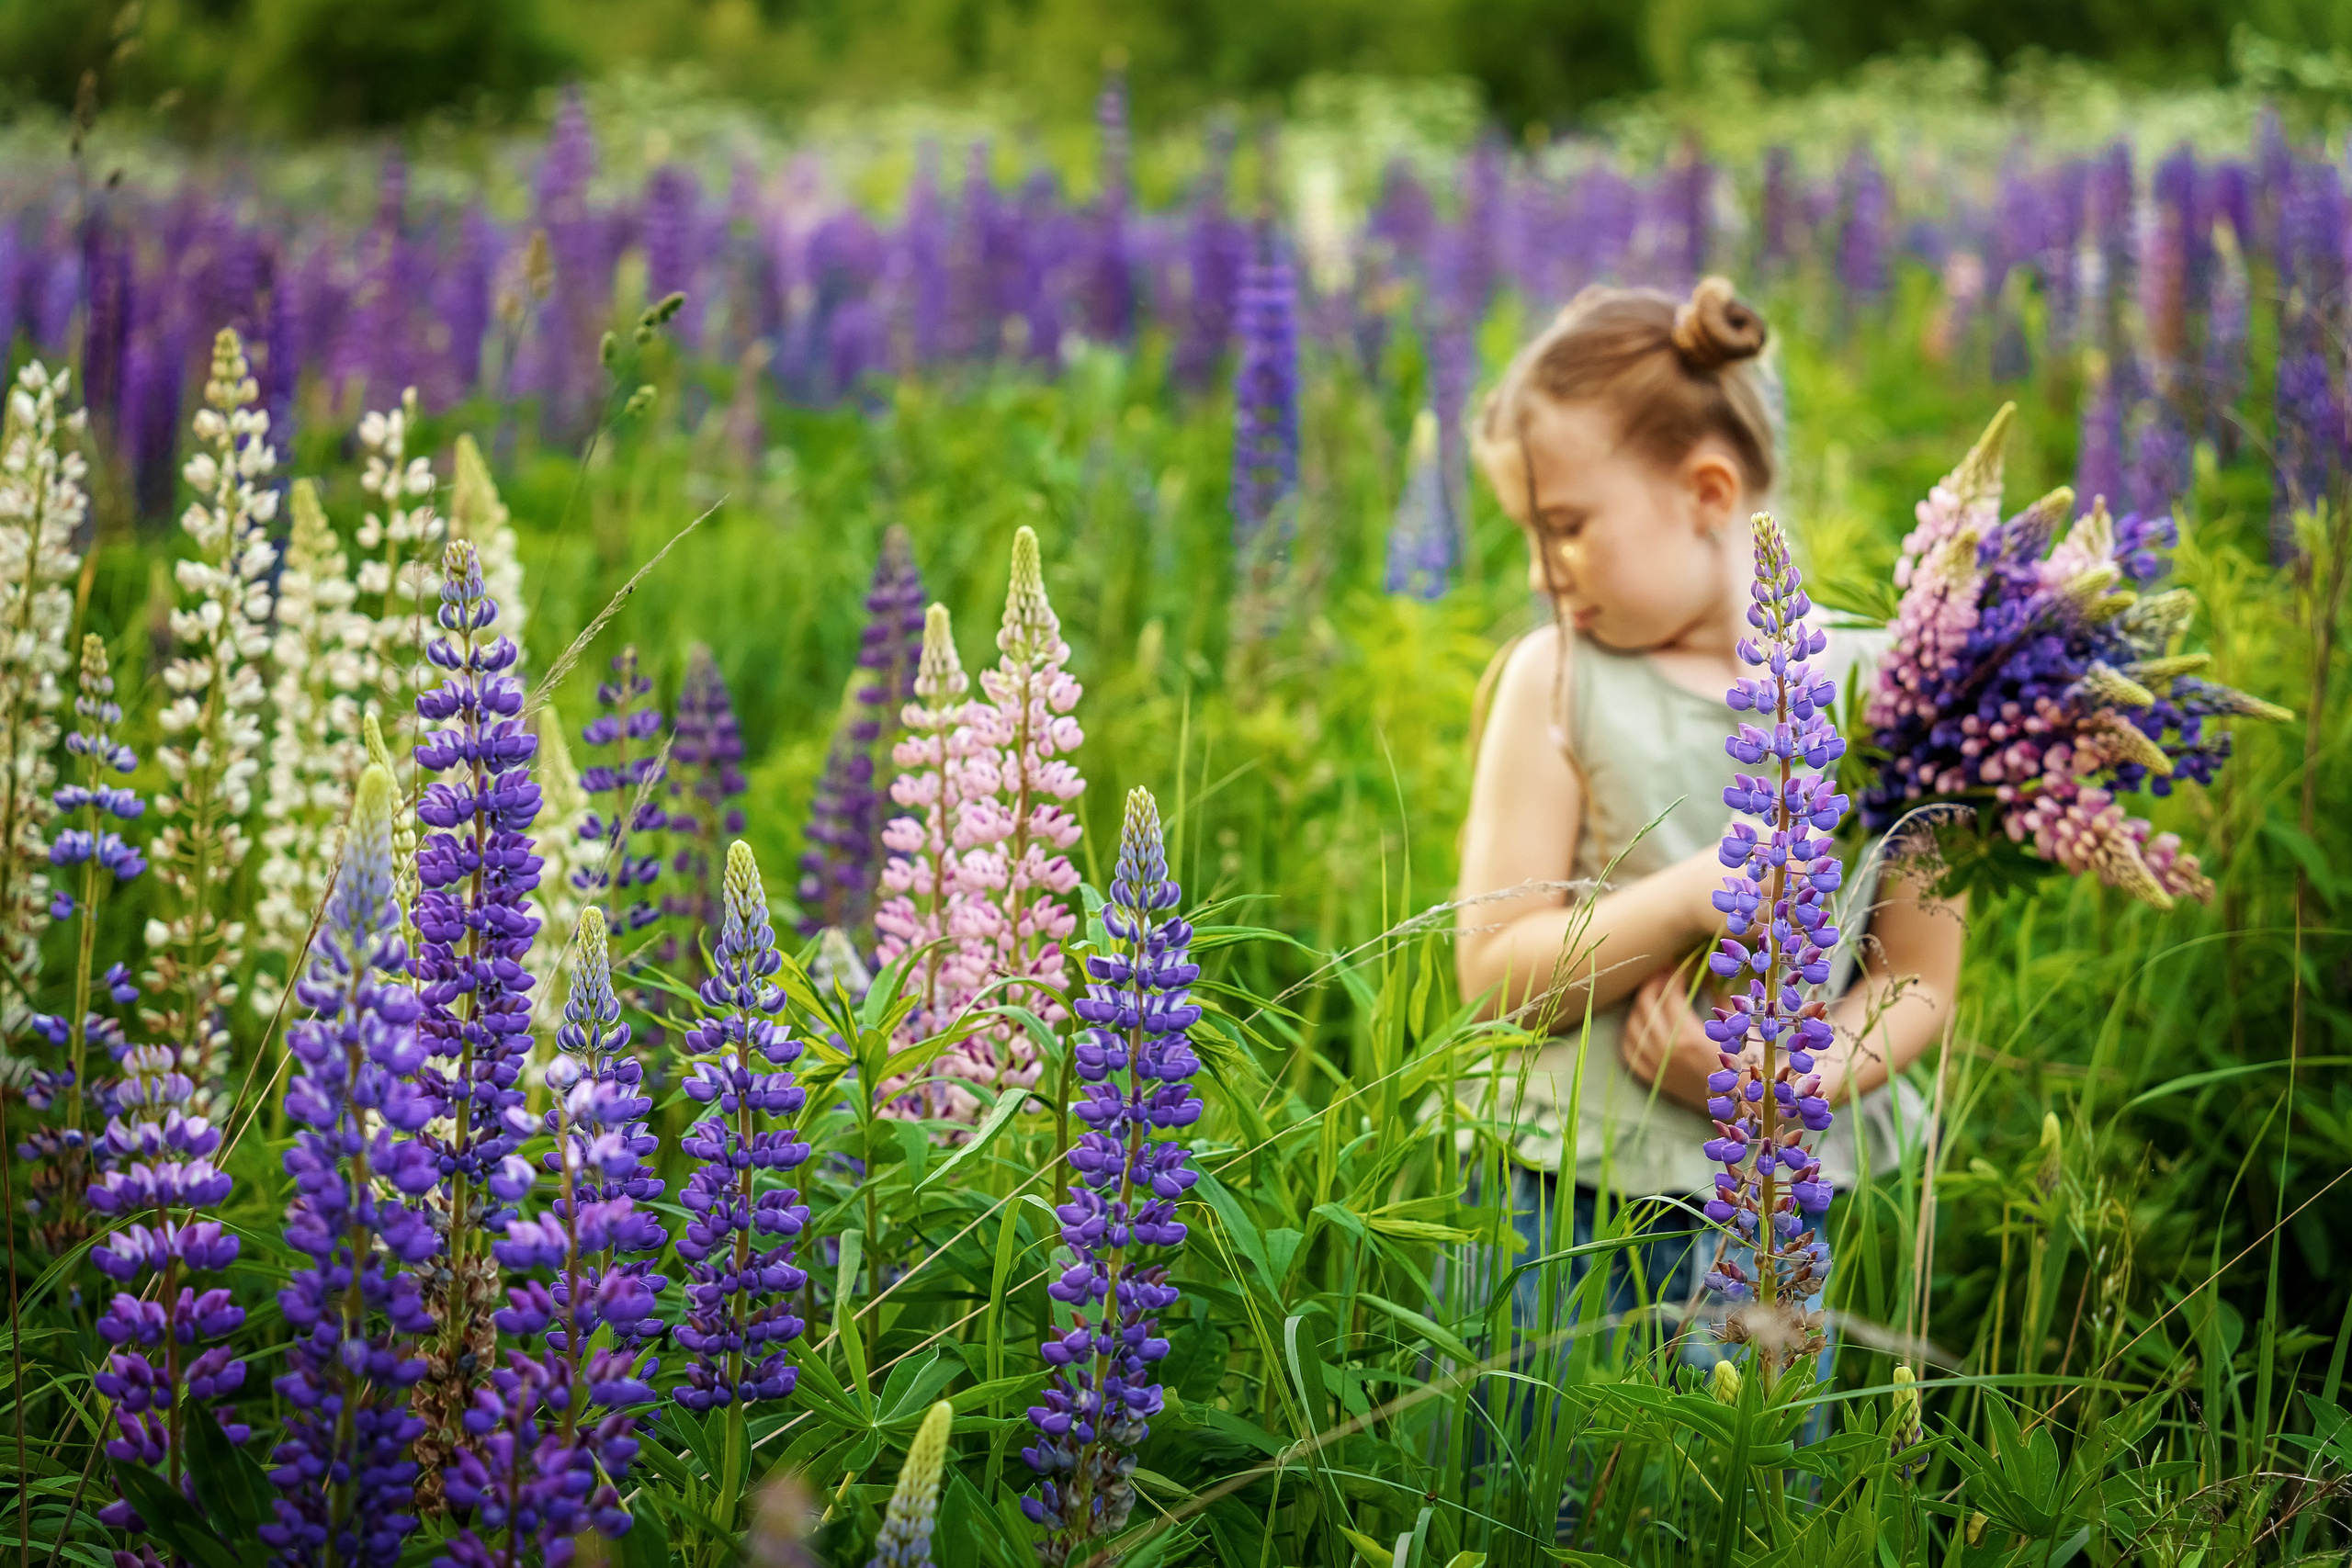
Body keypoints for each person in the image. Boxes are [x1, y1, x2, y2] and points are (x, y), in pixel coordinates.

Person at [1452, 275, 1962, 1345]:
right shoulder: (1557, 677)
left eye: (1565, 528)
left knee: (1755, 1493)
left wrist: (1791, 1080)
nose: (1545, 574)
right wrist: (1690, 897)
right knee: (1531, 1490)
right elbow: (1492, 973)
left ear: (1709, 492)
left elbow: (1916, 972)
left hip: (1784, 1192)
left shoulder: (1891, 685)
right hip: (1564, 1188)